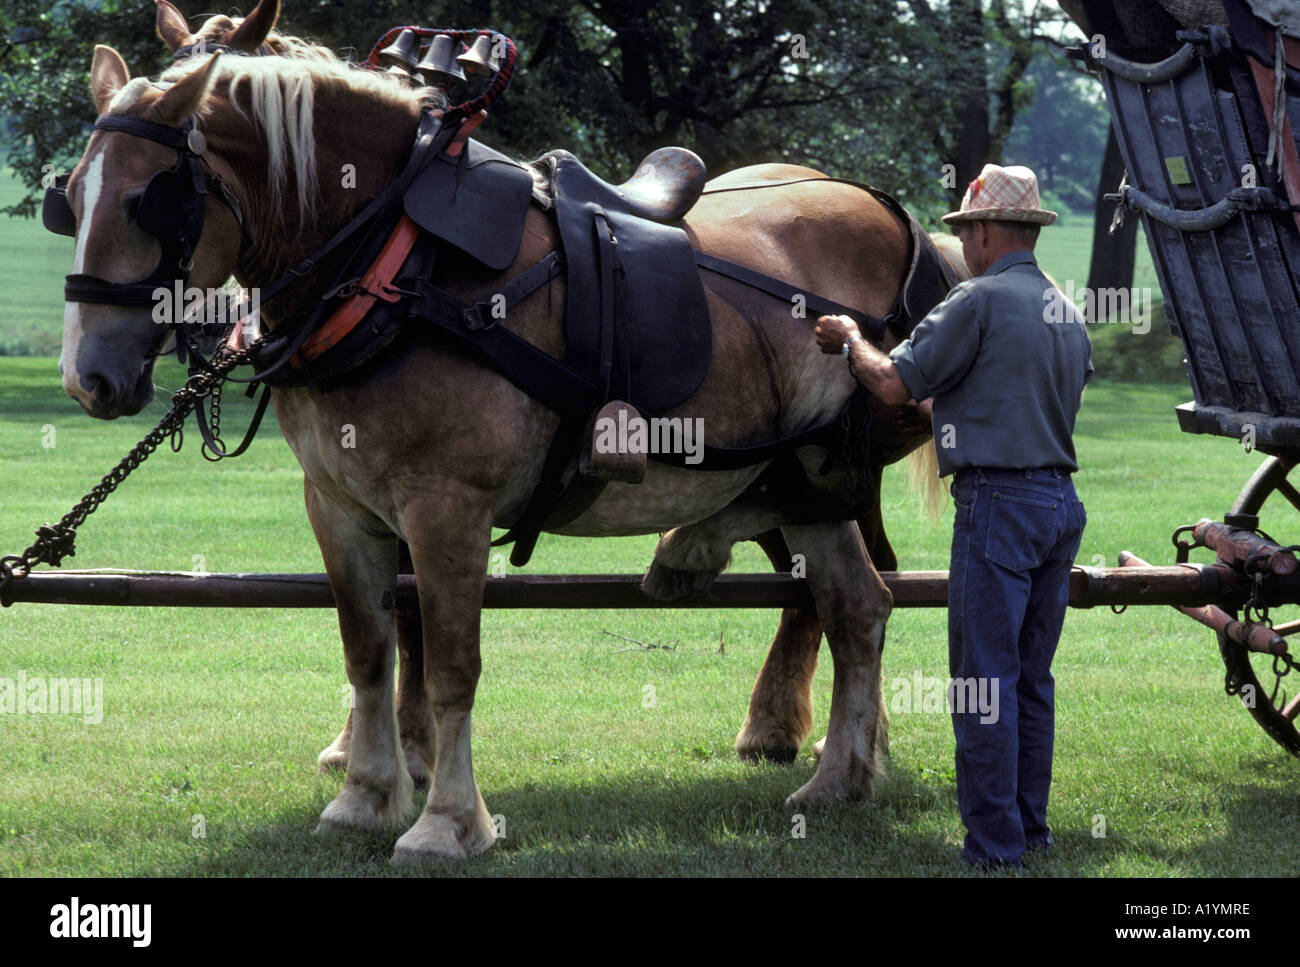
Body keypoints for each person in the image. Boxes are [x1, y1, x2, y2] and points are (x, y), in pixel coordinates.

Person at [814, 163, 1093, 868]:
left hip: (997, 506)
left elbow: (891, 381)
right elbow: (1019, 396)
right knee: (1032, 681)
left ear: (990, 231)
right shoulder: (1065, 309)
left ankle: (993, 847)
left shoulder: (976, 301)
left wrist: (849, 337)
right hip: (1059, 505)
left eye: (968, 229)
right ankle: (1031, 830)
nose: (965, 243)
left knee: (983, 684)